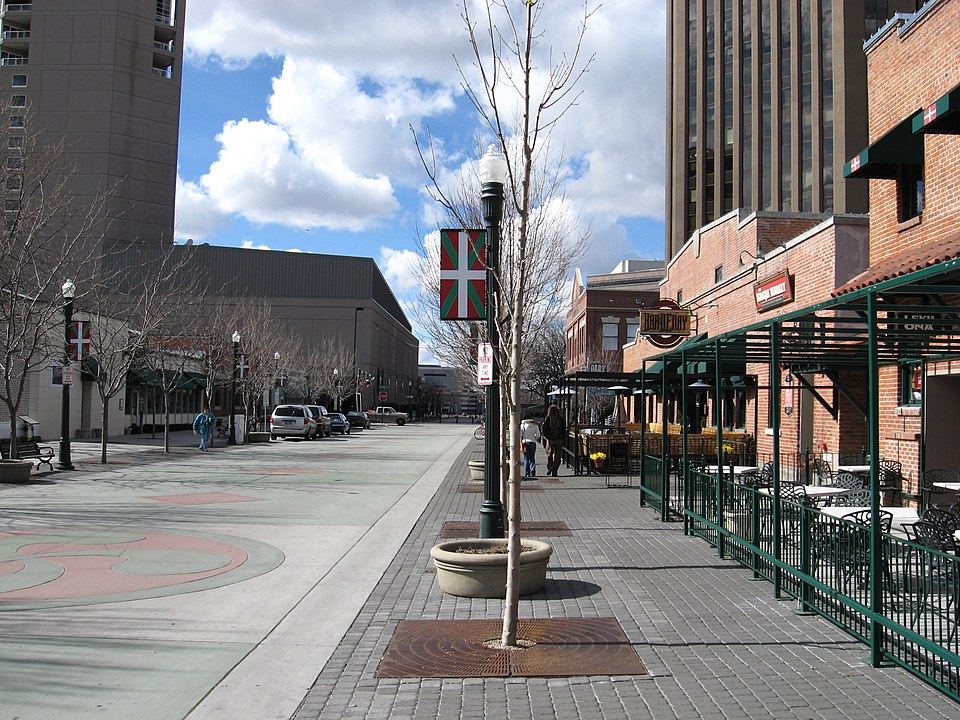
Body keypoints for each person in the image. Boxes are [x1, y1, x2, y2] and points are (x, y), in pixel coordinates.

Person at [541, 404, 567, 477]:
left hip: (550, 440)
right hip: (559, 440)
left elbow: (544, 430)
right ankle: (555, 470)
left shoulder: (548, 419)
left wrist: (547, 437)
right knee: (558, 456)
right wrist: (562, 437)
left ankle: (550, 466)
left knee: (549, 454)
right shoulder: (561, 419)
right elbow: (564, 430)